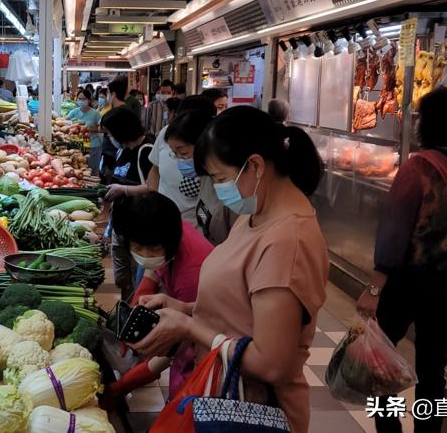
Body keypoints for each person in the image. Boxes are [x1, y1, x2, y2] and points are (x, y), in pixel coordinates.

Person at [129, 106, 328, 433]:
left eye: (220, 178)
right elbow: (244, 308)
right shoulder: (254, 217)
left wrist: (189, 328)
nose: (219, 188)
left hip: (250, 412)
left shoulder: (287, 241)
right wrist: (187, 309)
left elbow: (271, 363)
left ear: (255, 165)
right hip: (219, 392)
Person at [356, 88, 447, 433]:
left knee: (381, 362)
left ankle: (389, 430)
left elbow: (393, 233)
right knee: (434, 368)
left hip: (406, 282)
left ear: (427, 124)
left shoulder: (418, 168)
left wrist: (373, 289)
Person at [102, 192, 214, 404]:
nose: (145, 255)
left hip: (201, 350)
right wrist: (143, 292)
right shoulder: (163, 227)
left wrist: (123, 385)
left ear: (169, 244)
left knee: (186, 403)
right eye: (136, 247)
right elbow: (153, 267)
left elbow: (174, 347)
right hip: (189, 331)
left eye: (153, 249)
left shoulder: (193, 274)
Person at [101, 106, 155, 299]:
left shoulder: (147, 150)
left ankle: (132, 311)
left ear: (121, 130)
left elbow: (152, 187)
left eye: (110, 133)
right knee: (122, 277)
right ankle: (125, 307)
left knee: (137, 277)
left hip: (139, 225)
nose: (109, 138)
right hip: (120, 224)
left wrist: (123, 190)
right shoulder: (122, 151)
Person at [164, 105, 237, 245]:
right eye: (175, 153)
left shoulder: (231, 186)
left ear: (203, 144)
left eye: (183, 153)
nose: (179, 159)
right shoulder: (205, 178)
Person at [99, 77, 131, 182]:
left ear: (113, 94)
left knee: (110, 179)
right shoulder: (125, 110)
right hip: (113, 153)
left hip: (114, 154)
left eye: (108, 92)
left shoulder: (118, 113)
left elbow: (102, 128)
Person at [66, 89, 103, 174]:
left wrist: (88, 129)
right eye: (79, 99)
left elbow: (102, 128)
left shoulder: (95, 113)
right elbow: (65, 122)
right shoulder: (74, 112)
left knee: (92, 170)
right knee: (79, 171)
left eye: (83, 99)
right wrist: (73, 125)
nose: (81, 101)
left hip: (92, 145)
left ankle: (94, 186)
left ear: (89, 100)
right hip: (77, 146)